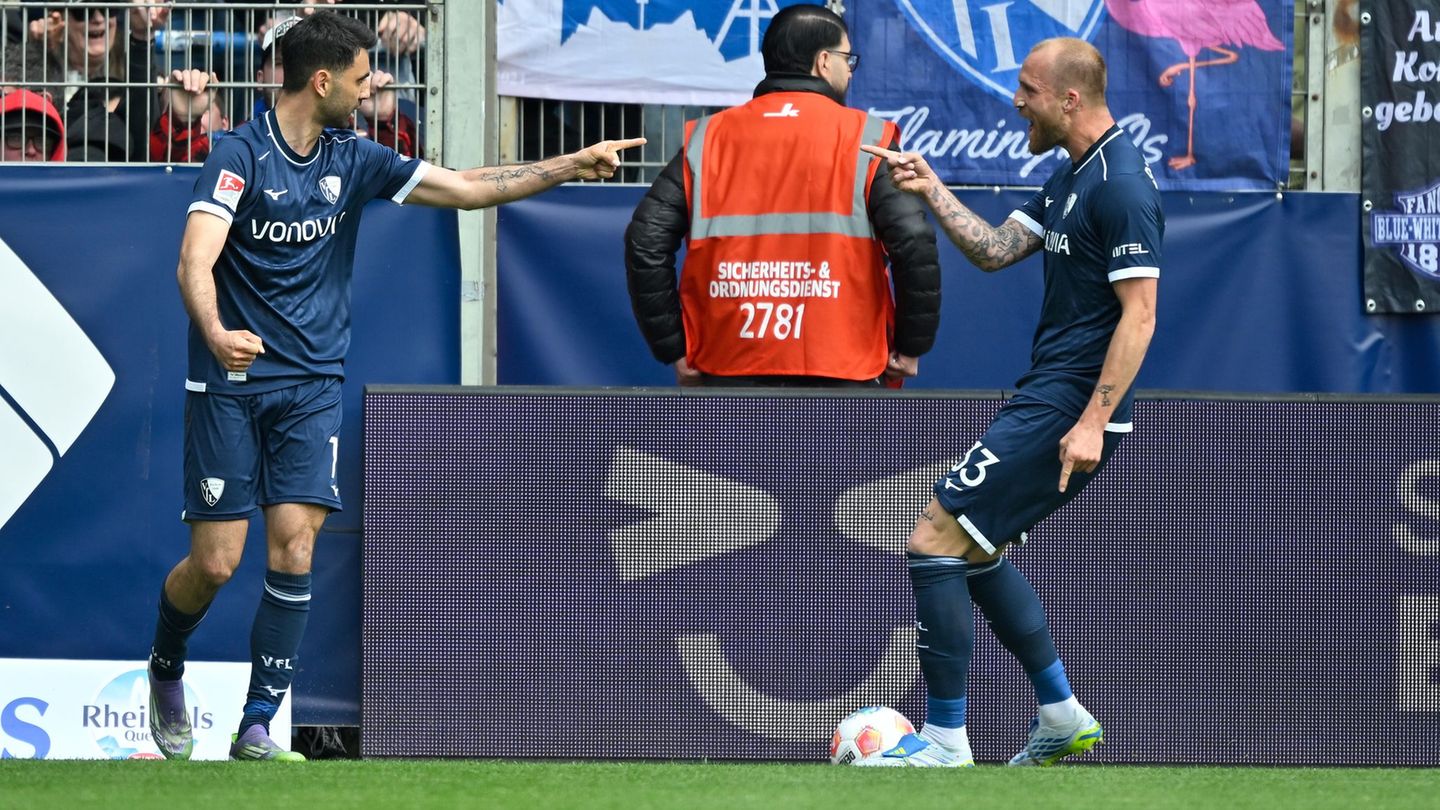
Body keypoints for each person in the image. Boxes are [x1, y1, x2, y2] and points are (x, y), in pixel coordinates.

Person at [145, 10, 642, 762]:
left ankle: (257, 724)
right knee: (216, 563)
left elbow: (467, 187)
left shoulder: (357, 157)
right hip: (229, 380)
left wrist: (570, 163)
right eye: (361, 76)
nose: (371, 87)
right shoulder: (239, 156)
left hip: (312, 383)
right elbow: (194, 260)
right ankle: (166, 663)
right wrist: (216, 333)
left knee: (296, 547)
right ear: (322, 81)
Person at [857, 37, 1161, 766]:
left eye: (1027, 89)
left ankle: (944, 743)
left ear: (1069, 99)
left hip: (1068, 406)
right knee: (977, 549)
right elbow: (994, 250)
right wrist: (931, 190)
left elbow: (1142, 314)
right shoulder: (1072, 175)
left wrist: (1091, 421)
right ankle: (1061, 714)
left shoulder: (1121, 184)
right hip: (1050, 394)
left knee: (934, 539)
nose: (1016, 100)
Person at [624, 3, 939, 387]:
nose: (849, 70)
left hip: (728, 361)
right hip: (844, 363)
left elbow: (645, 239)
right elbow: (914, 240)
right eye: (847, 59)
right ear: (824, 61)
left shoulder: (708, 138)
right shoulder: (868, 138)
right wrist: (910, 346)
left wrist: (673, 347)